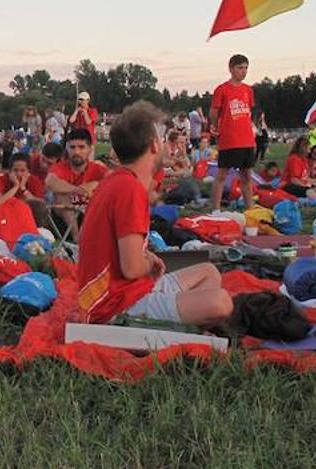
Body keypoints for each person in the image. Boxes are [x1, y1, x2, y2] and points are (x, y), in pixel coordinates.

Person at [76, 101, 231, 327]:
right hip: (116, 305)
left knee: (209, 272)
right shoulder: (129, 189)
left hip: (126, 290)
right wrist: (148, 264)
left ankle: (182, 323)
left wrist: (146, 257)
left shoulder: (116, 181)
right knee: (221, 302)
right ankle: (174, 326)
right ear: (154, 145)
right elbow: (131, 268)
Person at [208, 54, 256, 211]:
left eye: (246, 68)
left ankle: (250, 208)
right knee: (221, 175)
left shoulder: (248, 90)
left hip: (247, 140)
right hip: (229, 139)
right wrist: (215, 126)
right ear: (231, 69)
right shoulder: (222, 90)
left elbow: (249, 111)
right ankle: (215, 209)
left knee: (247, 176)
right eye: (240, 68)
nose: (243, 71)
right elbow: (214, 112)